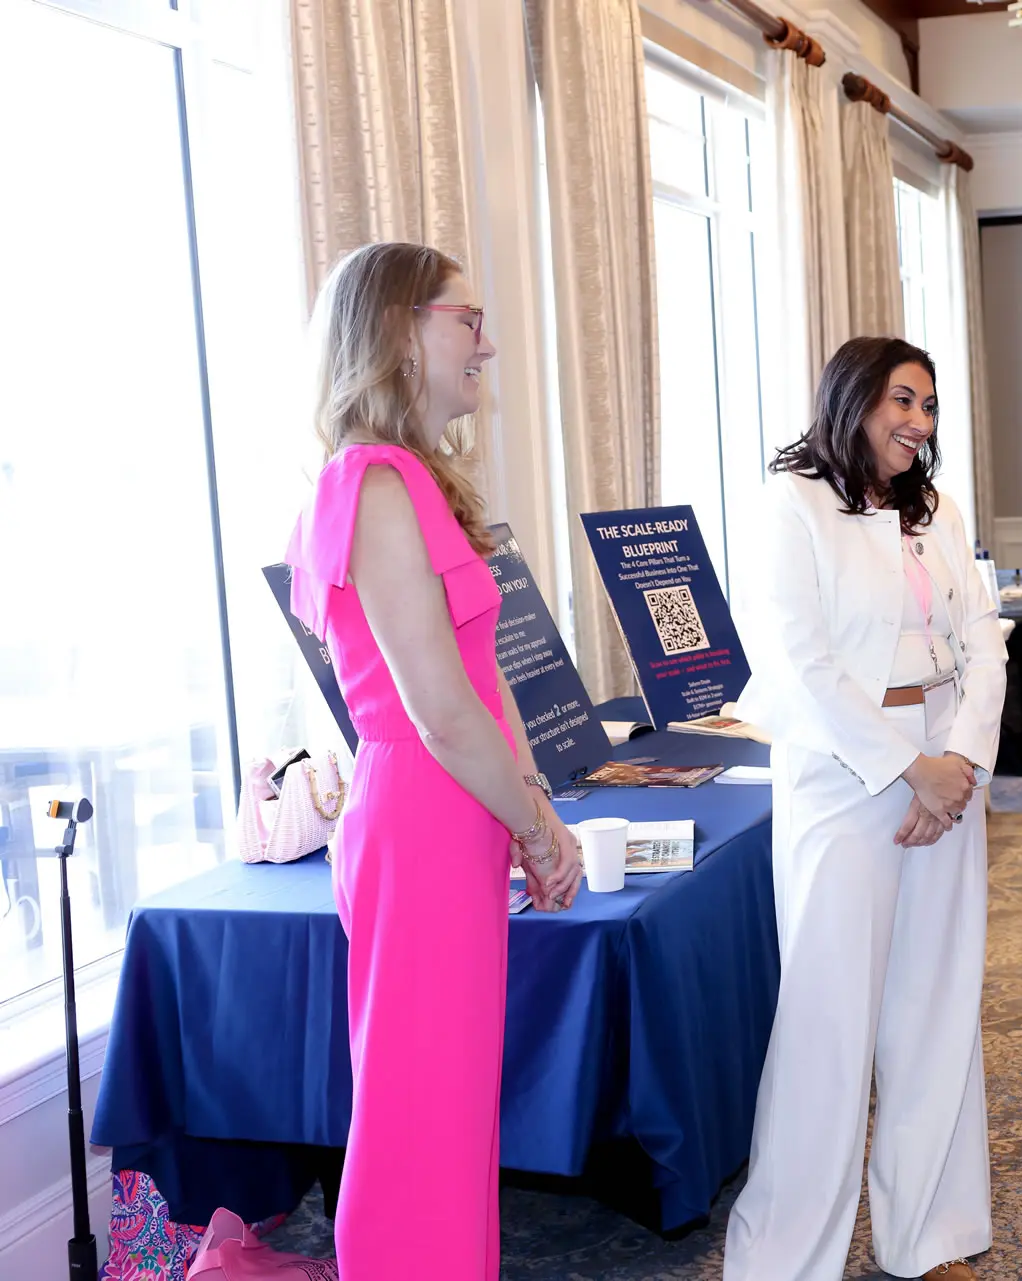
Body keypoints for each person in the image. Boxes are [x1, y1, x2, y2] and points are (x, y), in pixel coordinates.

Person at [285, 242, 583, 1279]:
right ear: (401, 333)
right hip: (421, 810)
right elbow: (441, 711)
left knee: (448, 1102)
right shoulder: (369, 482)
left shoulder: (409, 479)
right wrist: (540, 828)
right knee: (419, 1108)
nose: (486, 342)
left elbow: (478, 680)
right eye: (468, 318)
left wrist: (531, 809)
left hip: (451, 813)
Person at [727, 337, 1008, 1281]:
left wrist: (958, 757)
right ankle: (786, 1259)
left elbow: (983, 636)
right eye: (902, 400)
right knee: (828, 1021)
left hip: (946, 772)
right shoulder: (792, 504)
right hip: (845, 782)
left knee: (936, 1005)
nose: (920, 423)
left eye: (929, 406)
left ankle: (927, 1236)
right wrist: (906, 768)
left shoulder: (934, 507)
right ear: (854, 398)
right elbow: (800, 664)